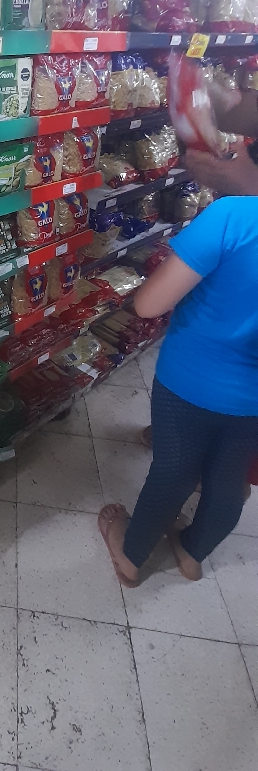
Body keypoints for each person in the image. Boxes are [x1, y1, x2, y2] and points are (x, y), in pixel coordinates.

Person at [99, 195, 258, 586]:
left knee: (176, 471)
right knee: (228, 481)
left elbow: (149, 304)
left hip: (192, 379)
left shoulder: (235, 216)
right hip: (252, 399)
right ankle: (192, 552)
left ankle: (131, 556)